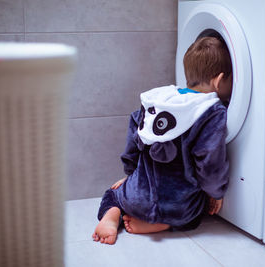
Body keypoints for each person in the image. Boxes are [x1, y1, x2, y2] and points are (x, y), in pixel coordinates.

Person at [92, 36, 232, 245]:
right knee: (197, 212)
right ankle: (164, 224)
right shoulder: (212, 111)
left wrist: (131, 177)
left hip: (136, 198)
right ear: (219, 80)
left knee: (112, 194)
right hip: (178, 207)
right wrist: (216, 193)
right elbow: (210, 163)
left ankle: (113, 214)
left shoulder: (159, 100)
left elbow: (133, 142)